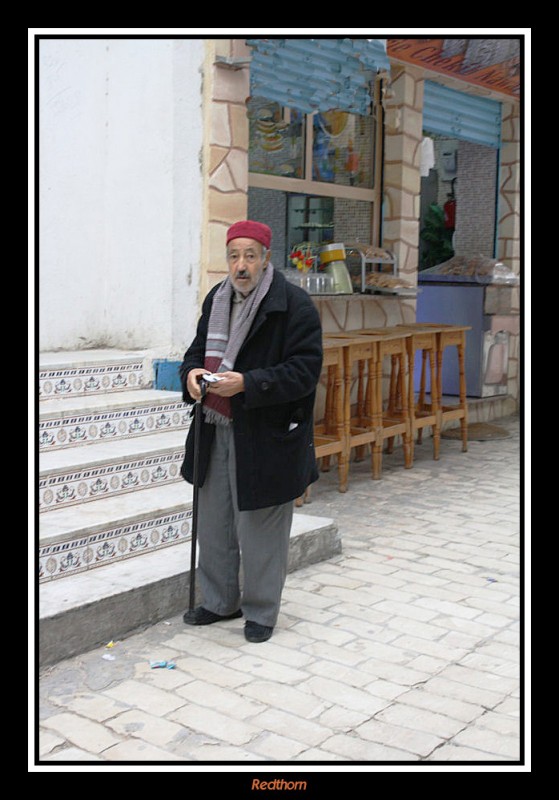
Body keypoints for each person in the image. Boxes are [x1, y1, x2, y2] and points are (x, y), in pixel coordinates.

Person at [179, 220, 323, 643]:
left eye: (250, 255)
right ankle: (220, 601)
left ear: (265, 258)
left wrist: (249, 383)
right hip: (214, 424)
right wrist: (191, 376)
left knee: (260, 525)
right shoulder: (217, 299)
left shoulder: (292, 305)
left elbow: (304, 371)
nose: (241, 265)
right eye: (234, 255)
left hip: (264, 432)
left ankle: (261, 611)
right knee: (215, 519)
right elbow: (195, 351)